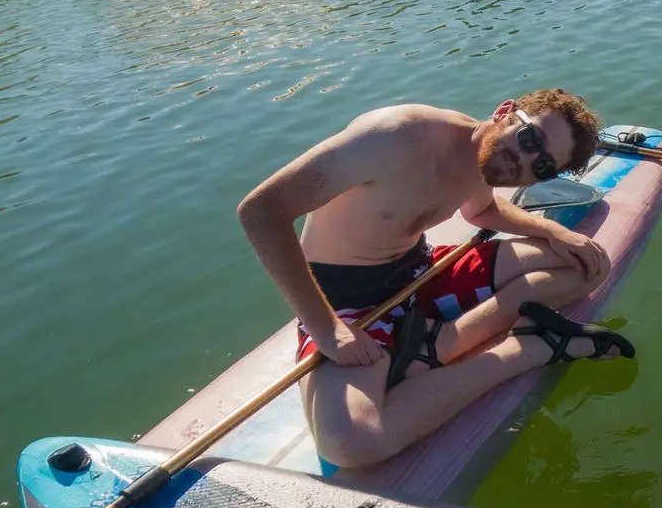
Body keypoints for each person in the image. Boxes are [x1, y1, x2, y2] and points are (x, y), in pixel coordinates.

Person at [237, 90, 630, 469]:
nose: (523, 161)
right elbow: (261, 211)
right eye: (530, 138)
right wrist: (328, 331)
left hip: (420, 272)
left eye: (541, 166)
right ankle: (531, 348)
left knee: (586, 265)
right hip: (348, 303)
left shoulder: (489, 161)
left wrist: (553, 232)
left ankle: (435, 343)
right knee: (352, 443)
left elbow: (481, 212)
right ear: (505, 111)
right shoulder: (396, 136)